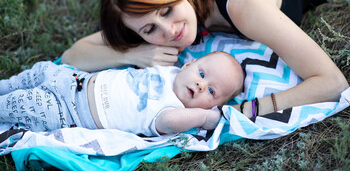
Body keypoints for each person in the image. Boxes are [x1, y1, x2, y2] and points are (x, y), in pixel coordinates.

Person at [61, 0, 350, 119]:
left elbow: (332, 83)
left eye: (166, 11)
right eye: (149, 31)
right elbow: (73, 55)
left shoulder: (243, 5)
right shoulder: (154, 7)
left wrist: (249, 109)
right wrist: (130, 55)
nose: (169, 32)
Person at [0, 51, 244, 136]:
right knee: (38, 72)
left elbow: (170, 122)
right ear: (189, 65)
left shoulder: (172, 111)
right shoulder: (171, 72)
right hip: (74, 79)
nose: (202, 85)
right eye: (202, 74)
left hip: (69, 112)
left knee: (23, 103)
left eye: (212, 91)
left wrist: (205, 118)